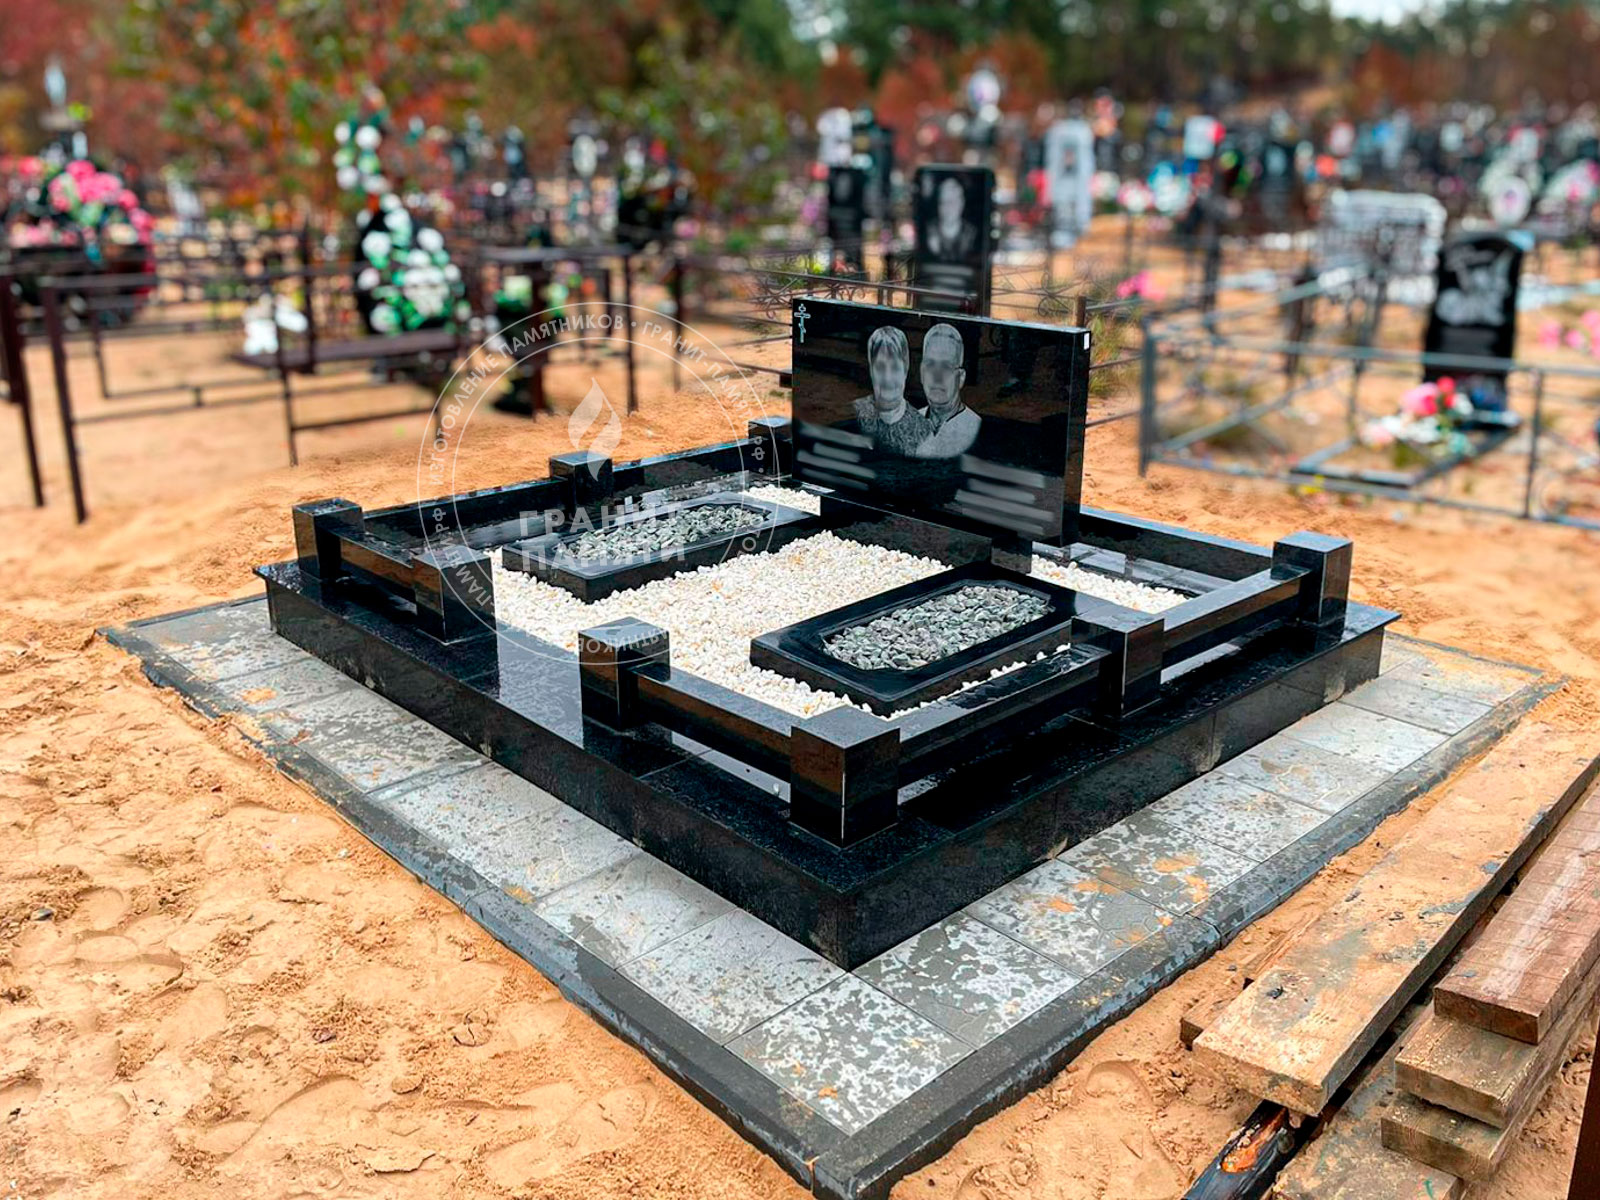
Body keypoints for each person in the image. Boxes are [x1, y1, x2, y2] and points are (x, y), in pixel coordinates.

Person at [853, 326, 929, 454]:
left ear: (905, 369)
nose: (887, 378)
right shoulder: (857, 413)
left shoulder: (922, 430)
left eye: (894, 367)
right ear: (871, 370)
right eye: (880, 367)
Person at [912, 324, 981, 458]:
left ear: (961, 377)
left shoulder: (976, 431)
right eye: (930, 364)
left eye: (946, 367)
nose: (937, 376)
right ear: (921, 373)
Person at [924, 177, 978, 261]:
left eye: (953, 201)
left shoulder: (972, 233)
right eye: (944, 201)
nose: (948, 207)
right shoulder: (927, 230)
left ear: (962, 203)